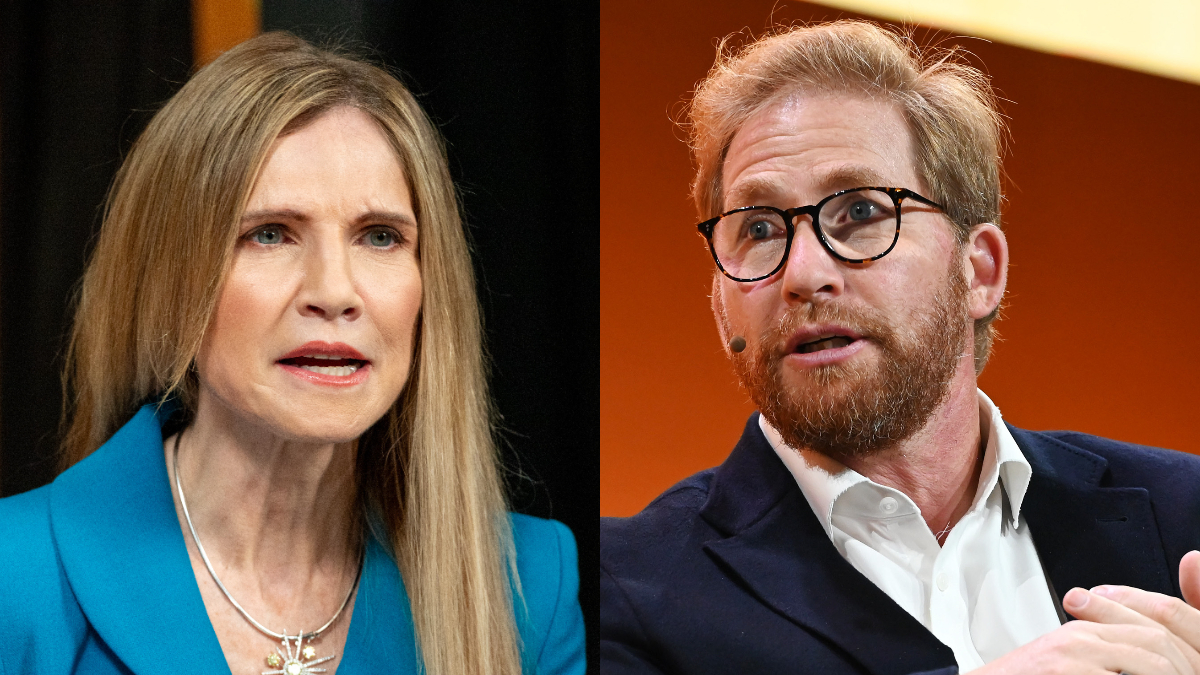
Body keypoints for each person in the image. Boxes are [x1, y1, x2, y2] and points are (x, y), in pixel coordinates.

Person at [600, 20, 1200, 674]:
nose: (802, 273)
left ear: (980, 271)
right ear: (721, 305)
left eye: (861, 212)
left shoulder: (1185, 512)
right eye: (760, 229)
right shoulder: (618, 588)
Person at [0, 32, 584, 675]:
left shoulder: (533, 587)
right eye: (270, 234)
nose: (334, 292)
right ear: (169, 279)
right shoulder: (16, 575)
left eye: (380, 237)